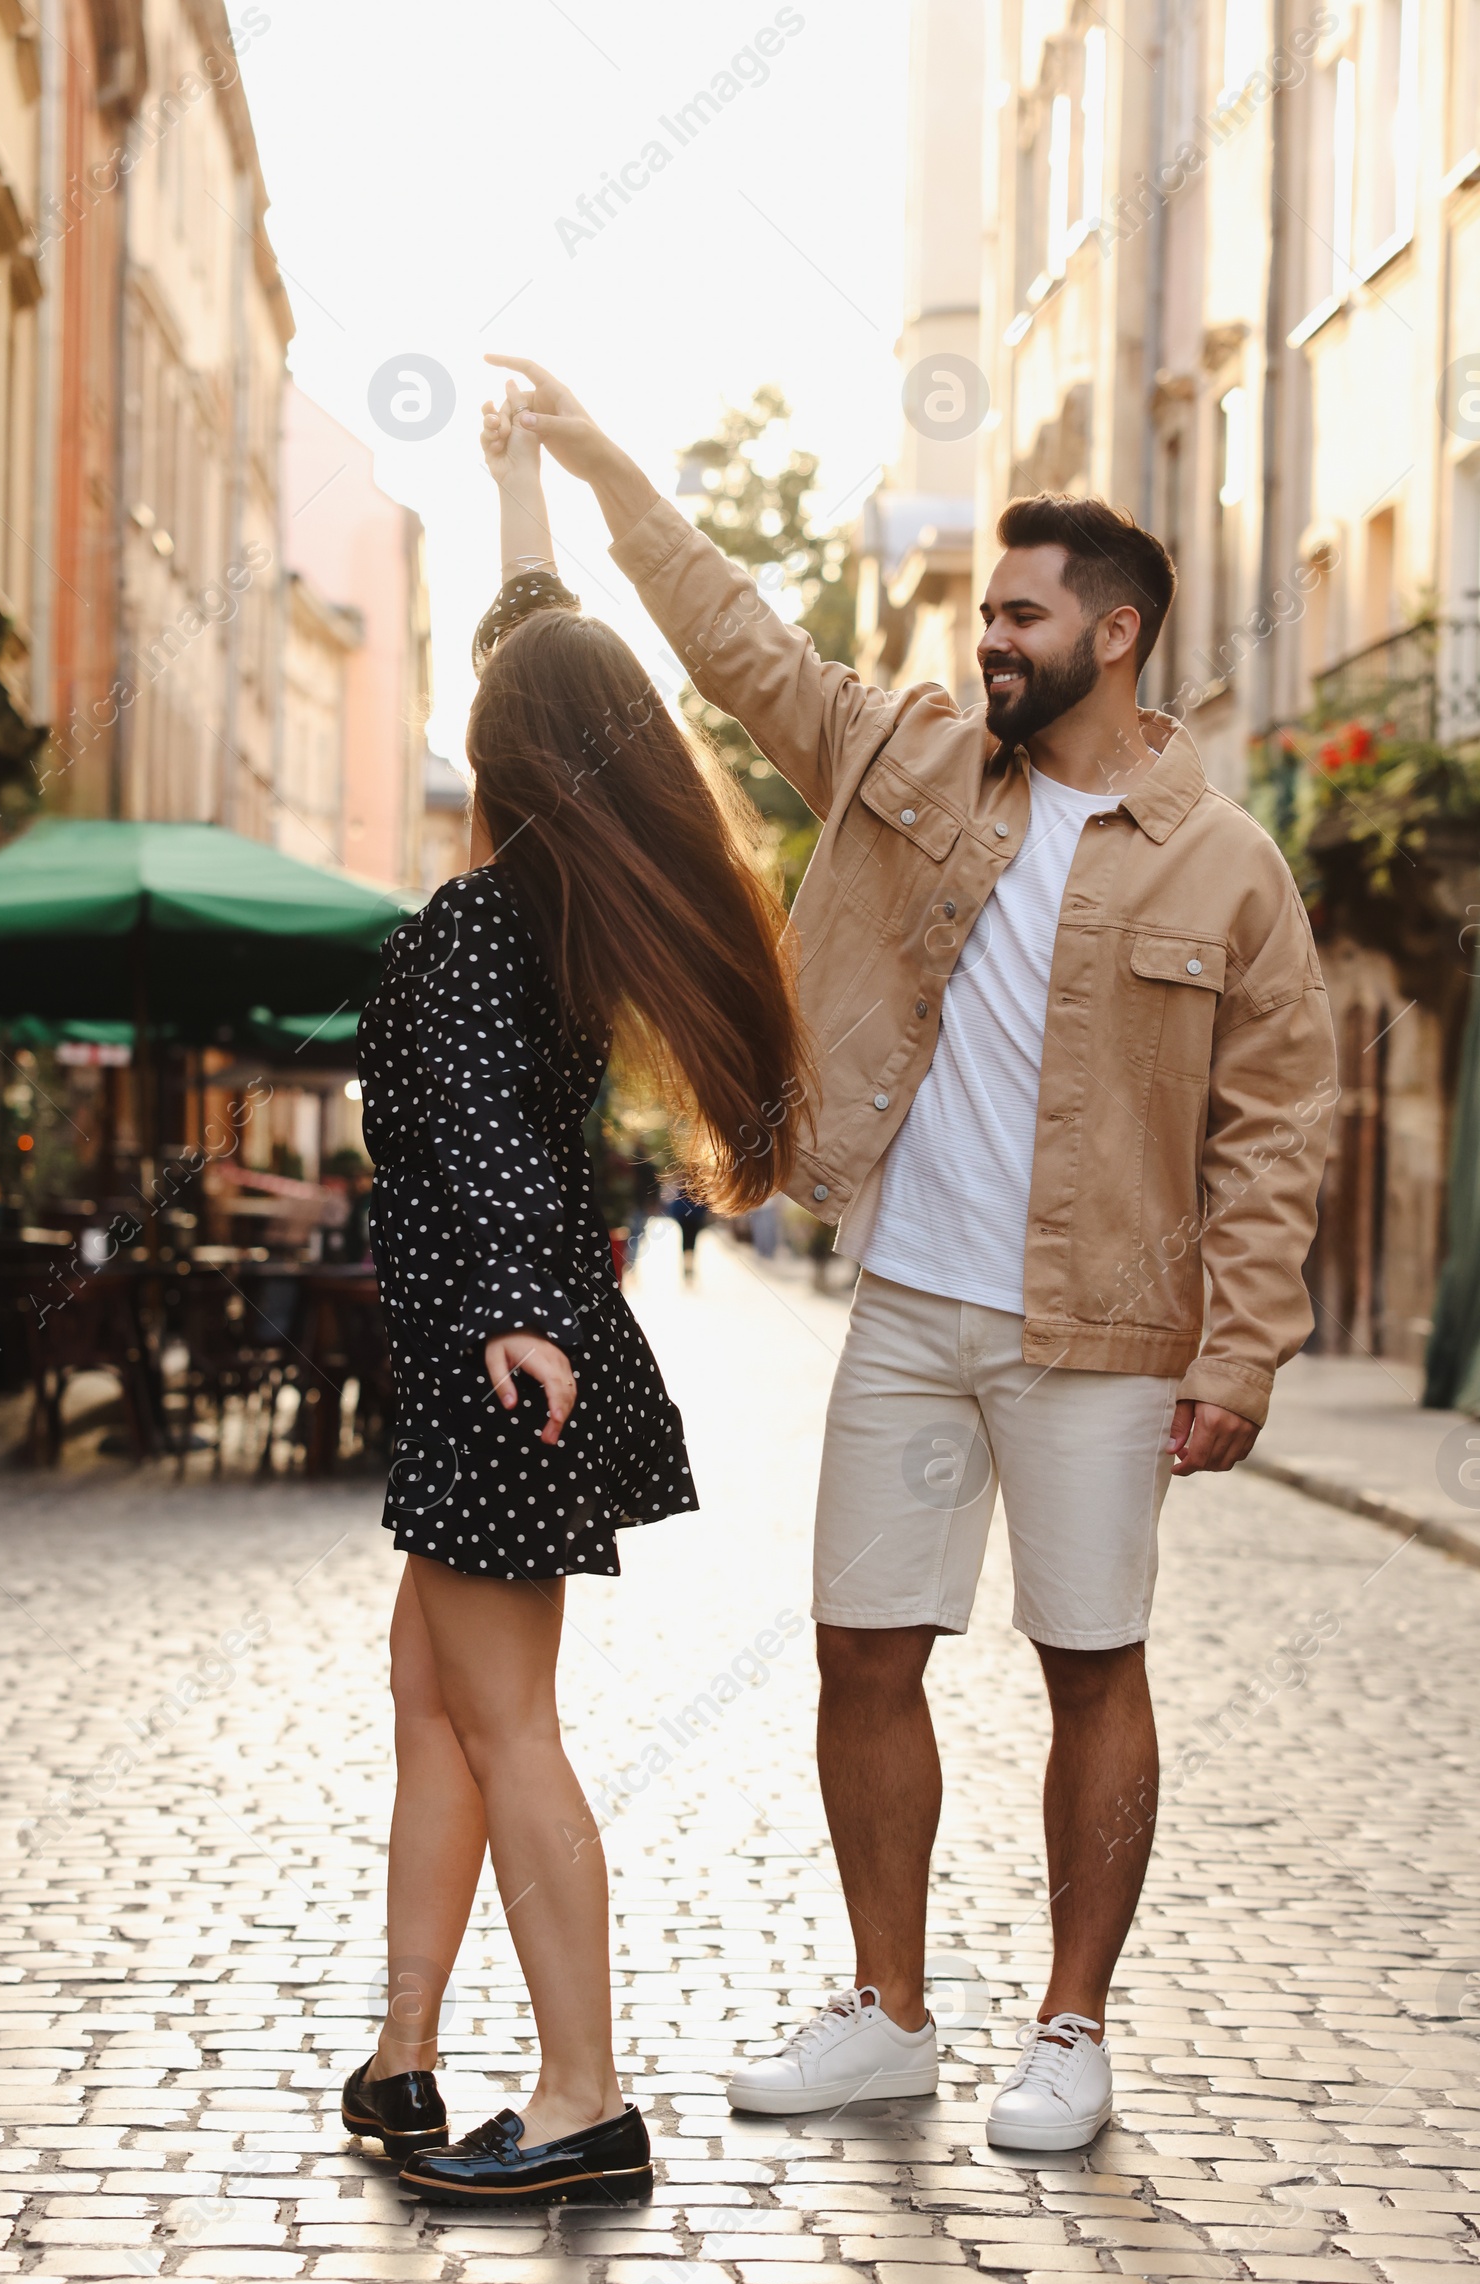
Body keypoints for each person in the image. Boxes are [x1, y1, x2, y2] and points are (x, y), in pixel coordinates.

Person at [488, 355, 1337, 2151]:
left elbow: (1278, 1126)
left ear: (1117, 634)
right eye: (984, 614)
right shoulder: (909, 762)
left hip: (1102, 1328)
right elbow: (738, 641)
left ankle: (1074, 2028)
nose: (989, 644)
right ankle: (887, 2010)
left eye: (1021, 617)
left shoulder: (1227, 867)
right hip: (912, 1305)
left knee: (1090, 1660)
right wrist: (591, 449)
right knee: (861, 1652)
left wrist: (1244, 1349)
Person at [341, 380, 811, 2204]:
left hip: (495, 1367)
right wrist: (521, 488)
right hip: (497, 1360)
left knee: (506, 1724)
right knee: (434, 1702)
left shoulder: (476, 928)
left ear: (508, 755)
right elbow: (539, 648)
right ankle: (402, 2058)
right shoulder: (538, 901)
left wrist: (521, 1314)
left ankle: (585, 2094)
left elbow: (495, 1158)